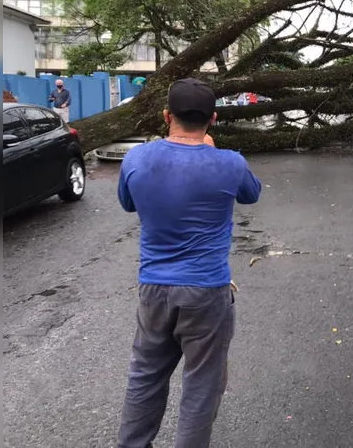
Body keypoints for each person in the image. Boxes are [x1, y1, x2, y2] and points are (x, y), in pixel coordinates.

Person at [116, 77, 262, 448]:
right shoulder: (230, 163)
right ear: (212, 119)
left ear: (167, 115)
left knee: (145, 375)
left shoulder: (137, 158)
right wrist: (211, 151)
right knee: (202, 383)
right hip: (207, 292)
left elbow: (128, 203)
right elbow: (252, 194)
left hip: (153, 289)